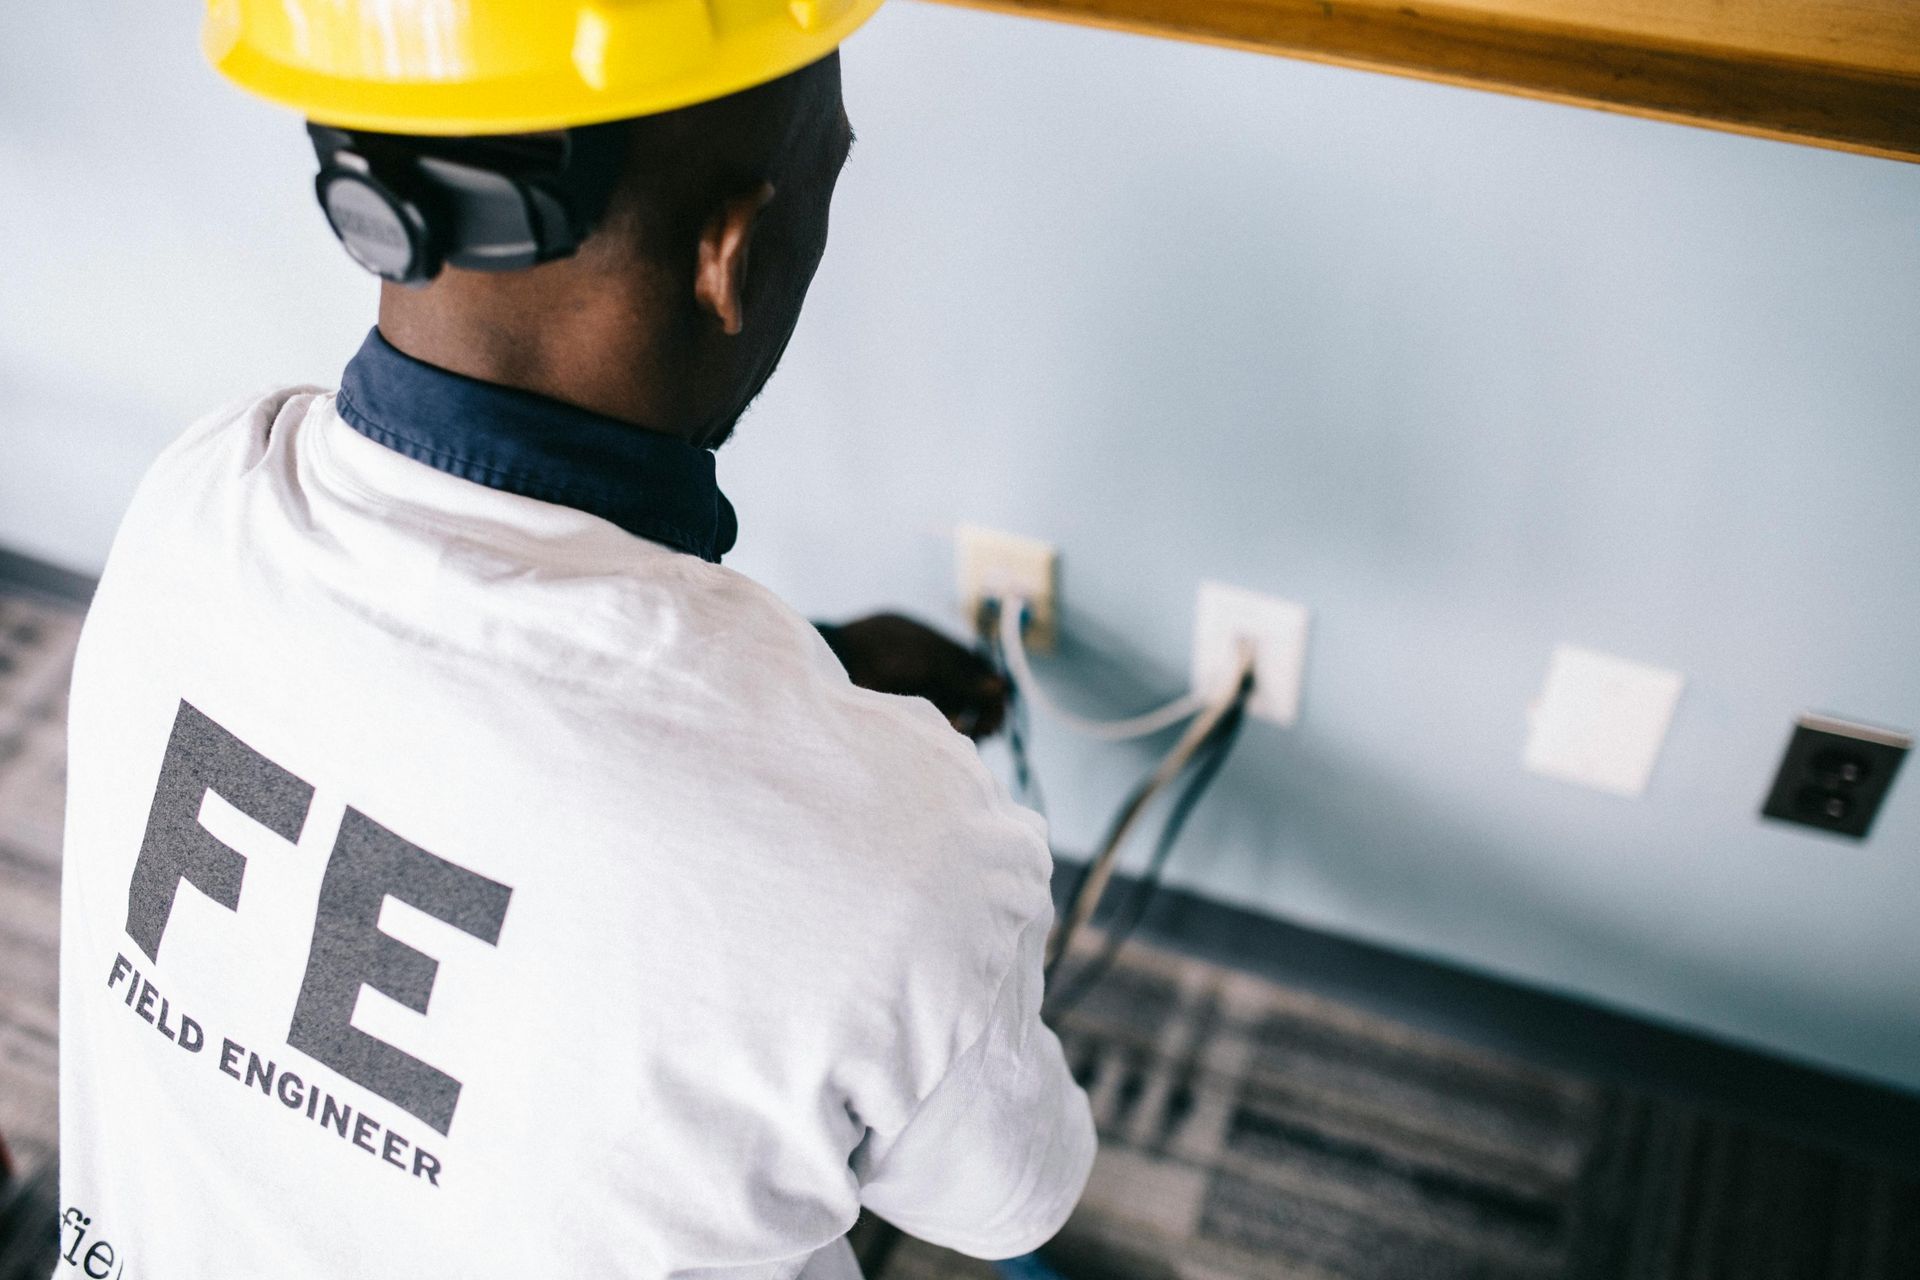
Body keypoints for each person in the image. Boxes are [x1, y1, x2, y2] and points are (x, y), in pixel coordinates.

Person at [54, 4, 1095, 1278]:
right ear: (736, 255)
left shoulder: (196, 502)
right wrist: (852, 786)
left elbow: (440, 721)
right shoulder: (904, 852)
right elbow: (1013, 1200)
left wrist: (809, 695)